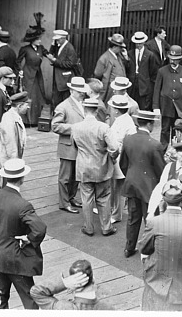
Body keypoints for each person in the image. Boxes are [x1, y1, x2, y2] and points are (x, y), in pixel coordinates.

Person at [0, 158, 47, 309]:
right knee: (30, 299)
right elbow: (40, 228)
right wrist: (28, 238)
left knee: (0, 296)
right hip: (16, 257)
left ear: (5, 176)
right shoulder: (23, 205)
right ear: (22, 178)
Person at [138, 179, 182, 311]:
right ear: (181, 199)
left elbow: (144, 248)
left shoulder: (154, 223)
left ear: (163, 200)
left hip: (157, 285)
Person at [71, 98, 120, 237]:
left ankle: (88, 227)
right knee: (103, 197)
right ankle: (106, 227)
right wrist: (112, 157)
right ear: (97, 110)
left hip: (83, 167)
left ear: (84, 110)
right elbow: (115, 147)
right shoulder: (103, 127)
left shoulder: (75, 127)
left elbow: (74, 146)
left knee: (86, 198)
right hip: (101, 167)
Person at [120, 110, 166, 257]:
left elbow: (123, 164)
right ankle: (148, 248)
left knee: (133, 218)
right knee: (149, 219)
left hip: (132, 184)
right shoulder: (155, 145)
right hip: (149, 187)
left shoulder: (128, 139)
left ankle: (129, 248)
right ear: (150, 124)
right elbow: (162, 171)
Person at [51, 76, 87, 214]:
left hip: (80, 146)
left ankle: (71, 198)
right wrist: (74, 127)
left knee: (76, 176)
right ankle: (64, 203)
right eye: (79, 91)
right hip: (68, 146)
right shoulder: (63, 106)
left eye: (82, 91)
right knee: (65, 177)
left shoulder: (83, 104)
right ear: (71, 90)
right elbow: (55, 126)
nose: (82, 94)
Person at [30, 259, 114, 310]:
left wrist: (64, 283)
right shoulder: (108, 308)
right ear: (93, 279)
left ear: (75, 286)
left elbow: (36, 292)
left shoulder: (64, 308)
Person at [152, 45, 182, 150]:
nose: (173, 61)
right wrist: (156, 106)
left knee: (177, 130)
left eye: (175, 59)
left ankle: (175, 150)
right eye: (171, 59)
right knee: (164, 129)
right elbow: (156, 90)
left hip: (179, 107)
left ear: (179, 59)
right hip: (166, 106)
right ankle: (162, 151)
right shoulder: (162, 71)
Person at [108, 95, 136, 224]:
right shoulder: (123, 119)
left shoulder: (123, 121)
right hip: (120, 155)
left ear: (116, 110)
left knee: (118, 187)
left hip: (120, 156)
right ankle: (113, 210)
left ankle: (116, 214)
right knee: (115, 186)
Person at [17, 24, 49, 127]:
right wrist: (20, 71)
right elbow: (18, 62)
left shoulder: (41, 48)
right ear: (32, 40)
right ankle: (26, 121)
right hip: (28, 75)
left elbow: (49, 55)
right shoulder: (25, 49)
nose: (40, 41)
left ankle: (35, 121)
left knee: (37, 98)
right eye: (38, 39)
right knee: (28, 96)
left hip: (37, 76)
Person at [0, 92, 30, 176]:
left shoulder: (14, 116)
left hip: (14, 161)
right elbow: (10, 144)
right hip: (10, 164)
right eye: (26, 105)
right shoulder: (9, 119)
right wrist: (14, 166)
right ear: (19, 106)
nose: (28, 107)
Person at [46, 29, 79, 109]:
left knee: (63, 101)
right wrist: (53, 45)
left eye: (57, 40)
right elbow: (51, 53)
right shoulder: (59, 46)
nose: (56, 41)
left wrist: (55, 61)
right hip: (59, 79)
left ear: (63, 38)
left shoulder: (69, 48)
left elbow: (71, 64)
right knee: (56, 101)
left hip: (65, 79)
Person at [93, 33, 129, 103]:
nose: (121, 49)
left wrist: (126, 57)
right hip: (110, 90)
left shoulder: (119, 56)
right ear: (115, 47)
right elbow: (97, 74)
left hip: (119, 88)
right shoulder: (104, 58)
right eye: (120, 47)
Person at [127, 31, 158, 110]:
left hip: (144, 85)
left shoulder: (150, 55)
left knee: (143, 106)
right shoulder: (130, 53)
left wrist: (149, 86)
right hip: (132, 83)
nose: (138, 45)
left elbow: (153, 72)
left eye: (140, 43)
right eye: (137, 43)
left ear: (144, 42)